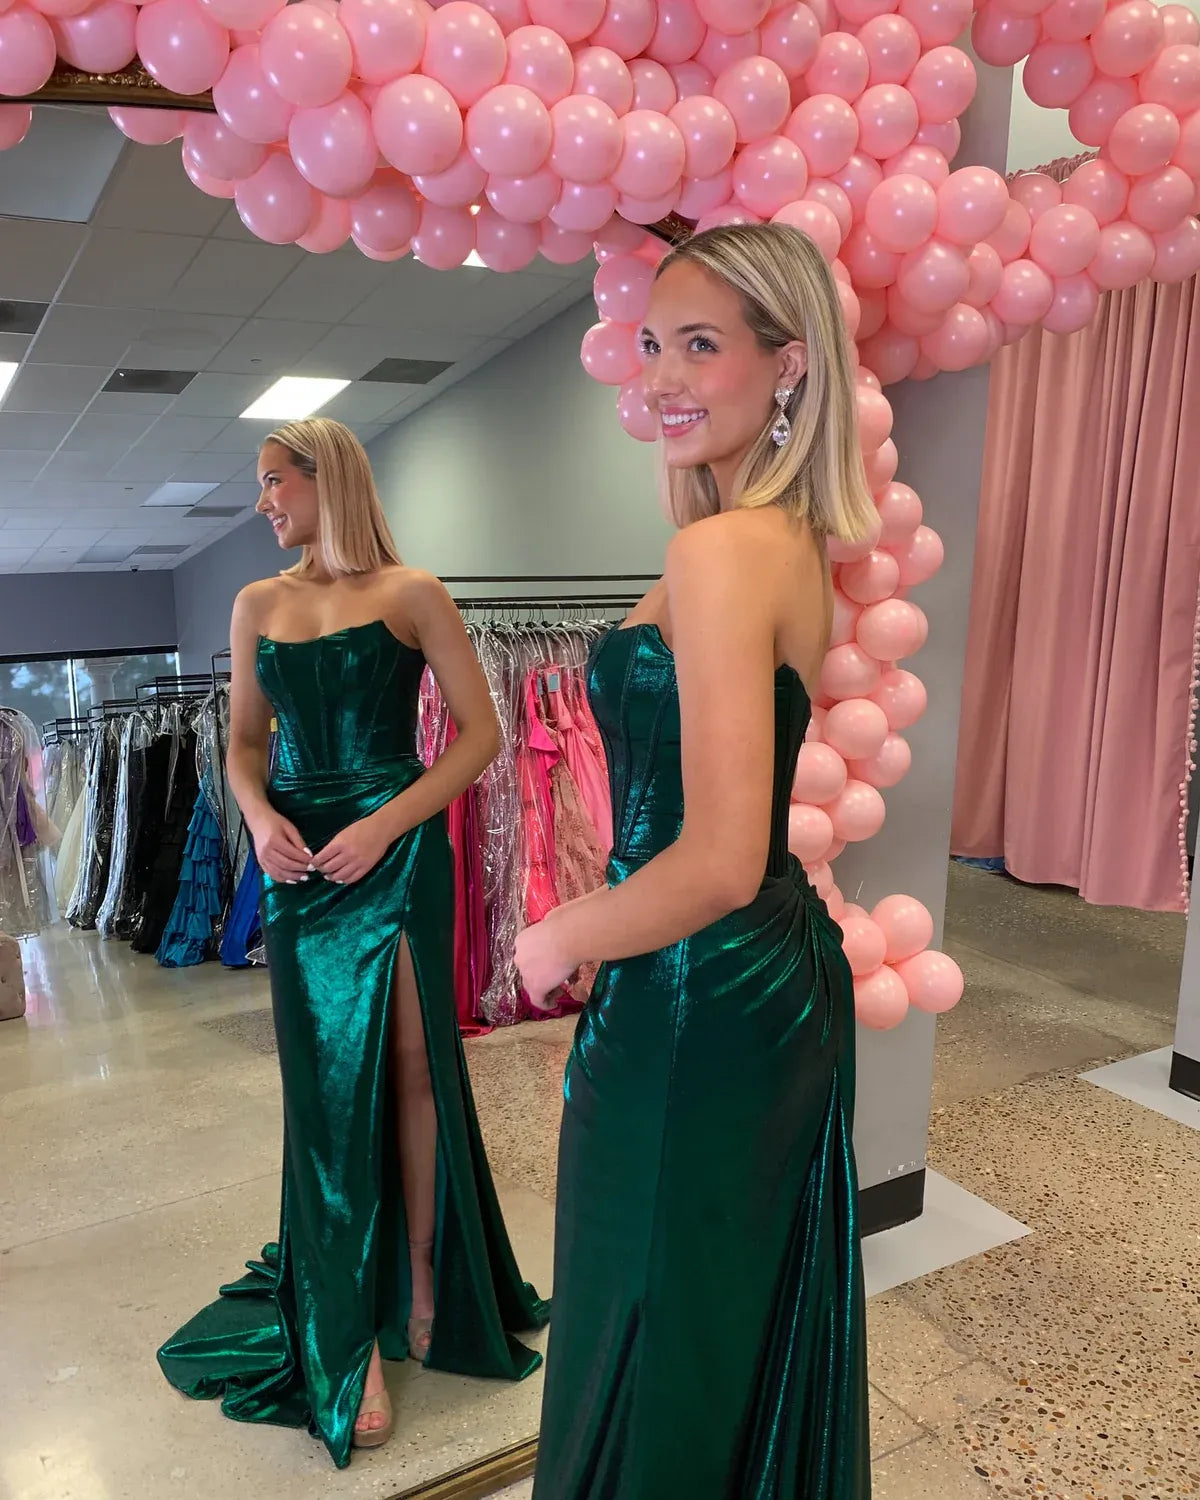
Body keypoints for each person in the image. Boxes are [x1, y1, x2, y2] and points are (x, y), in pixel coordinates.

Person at [516, 223, 876, 1498]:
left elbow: (718, 857)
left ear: (789, 365)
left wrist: (561, 934)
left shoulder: (722, 551)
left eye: (701, 346)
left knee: (652, 1312)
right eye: (653, 344)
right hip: (748, 974)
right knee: (707, 1312)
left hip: (698, 982)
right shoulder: (783, 542)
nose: (662, 378)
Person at [158, 418, 547, 1467]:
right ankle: (348, 1331)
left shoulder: (413, 593)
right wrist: (255, 816)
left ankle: (422, 1278)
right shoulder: (256, 603)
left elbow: (480, 734)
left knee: (416, 1071)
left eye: (273, 481)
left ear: (326, 478)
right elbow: (245, 743)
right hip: (299, 864)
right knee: (327, 1092)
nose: (261, 503)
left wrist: (386, 823)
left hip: (398, 848)